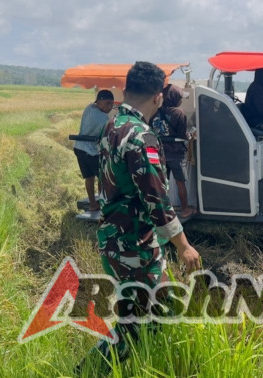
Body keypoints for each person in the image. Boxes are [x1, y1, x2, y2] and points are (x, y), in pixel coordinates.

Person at [76, 61, 201, 375]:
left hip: (117, 237)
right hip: (134, 243)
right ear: (158, 97)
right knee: (135, 323)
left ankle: (156, 363)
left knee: (163, 309)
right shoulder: (140, 136)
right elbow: (156, 199)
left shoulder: (112, 124)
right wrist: (184, 246)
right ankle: (88, 371)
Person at [151, 84, 196, 218]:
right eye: (180, 97)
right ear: (174, 97)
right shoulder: (179, 113)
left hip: (159, 153)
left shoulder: (155, 112)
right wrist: (189, 136)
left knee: (161, 183)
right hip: (176, 153)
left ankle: (163, 210)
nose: (181, 100)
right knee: (180, 182)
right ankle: (185, 209)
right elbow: (182, 135)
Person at [73, 89, 114, 214]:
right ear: (99, 102)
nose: (110, 107)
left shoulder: (89, 107)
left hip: (79, 147)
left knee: (89, 177)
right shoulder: (103, 119)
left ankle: (92, 203)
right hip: (91, 152)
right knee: (102, 178)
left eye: (112, 104)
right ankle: (102, 203)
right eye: (107, 103)